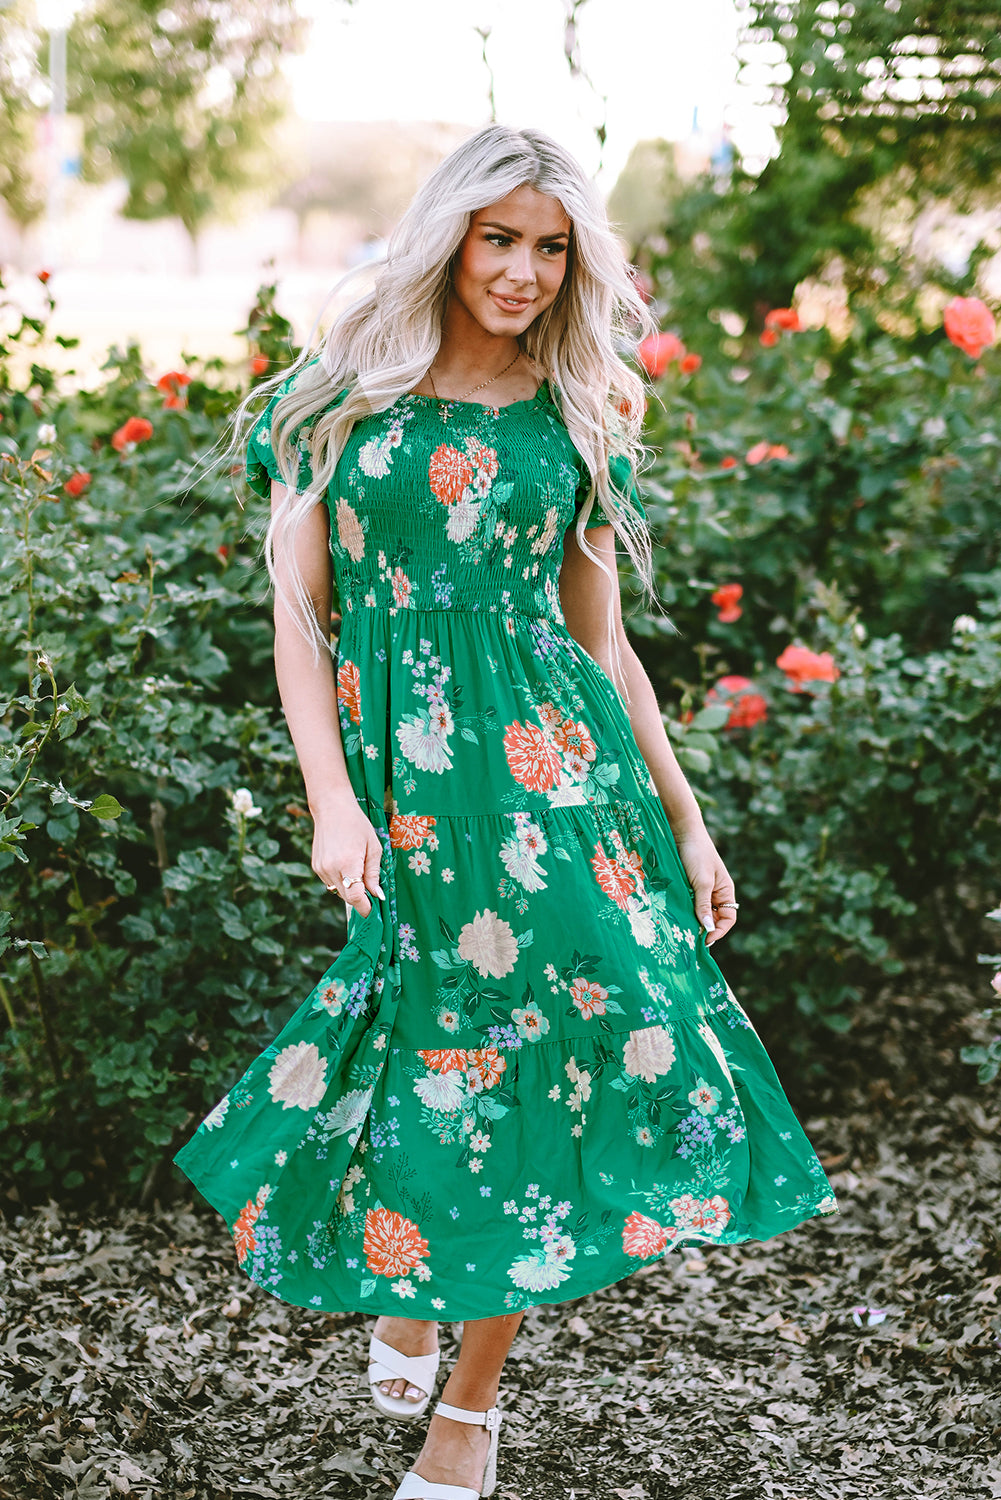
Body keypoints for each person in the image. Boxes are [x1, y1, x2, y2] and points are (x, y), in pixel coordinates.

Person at [173, 124, 837, 1500]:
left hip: (554, 788)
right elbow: (302, 622)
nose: (525, 273)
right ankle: (414, 1276)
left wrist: (687, 816)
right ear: (449, 236)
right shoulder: (340, 397)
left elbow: (597, 647)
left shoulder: (577, 413)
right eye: (500, 240)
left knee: (555, 1048)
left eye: (551, 248)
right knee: (428, 1037)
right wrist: (330, 804)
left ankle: (467, 1409)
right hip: (406, 791)